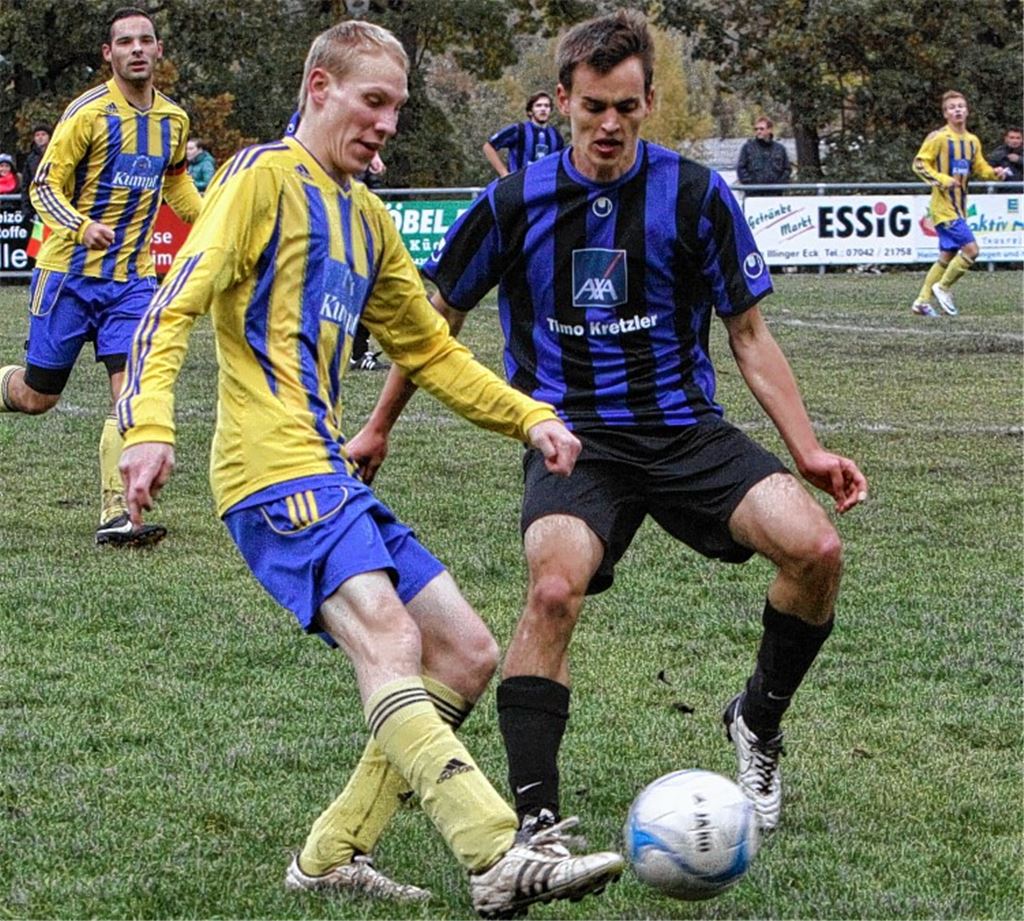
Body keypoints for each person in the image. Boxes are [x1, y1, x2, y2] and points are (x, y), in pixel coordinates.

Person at [116, 19, 623, 917]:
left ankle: (329, 854)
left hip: (330, 471)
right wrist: (147, 424)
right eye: (372, 100)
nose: (388, 122)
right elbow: (172, 304)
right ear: (318, 88)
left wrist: (530, 414)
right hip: (273, 475)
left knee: (466, 653)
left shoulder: (365, 217)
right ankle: (494, 850)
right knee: (388, 640)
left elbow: (431, 350)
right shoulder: (261, 179)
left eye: (397, 106)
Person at [348, 9, 868, 839]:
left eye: (627, 107)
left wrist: (806, 449)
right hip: (571, 437)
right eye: (594, 106)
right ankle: (536, 823)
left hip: (684, 429)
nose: (610, 125)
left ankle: (757, 722)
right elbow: (432, 321)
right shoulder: (513, 202)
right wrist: (377, 427)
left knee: (817, 550)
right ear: (562, 102)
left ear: (649, 102)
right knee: (552, 588)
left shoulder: (696, 194)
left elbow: (749, 335)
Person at [0, 7, 202, 548]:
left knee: (130, 395)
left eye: (146, 40)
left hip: (133, 282)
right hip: (68, 276)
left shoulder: (174, 121)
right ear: (107, 55)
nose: (137, 49)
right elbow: (43, 188)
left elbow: (177, 186)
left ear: (159, 51)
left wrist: (212, 226)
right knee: (38, 397)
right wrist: (80, 224)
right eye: (124, 42)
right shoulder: (87, 114)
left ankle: (118, 514)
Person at [911, 91, 1010, 317]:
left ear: (967, 111)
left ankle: (921, 302)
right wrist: (943, 180)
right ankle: (943, 288)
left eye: (961, 106)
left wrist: (995, 173)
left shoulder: (972, 141)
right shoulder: (938, 138)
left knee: (946, 257)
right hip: (942, 209)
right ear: (945, 113)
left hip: (959, 208)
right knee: (972, 250)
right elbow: (919, 164)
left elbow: (980, 167)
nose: (957, 110)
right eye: (952, 107)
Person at [351, 152, 389, 371]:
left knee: (364, 286)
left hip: (358, 218)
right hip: (336, 217)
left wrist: (371, 155)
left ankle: (358, 352)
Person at [483, 91, 565, 178]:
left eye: (546, 106)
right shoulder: (518, 130)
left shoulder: (556, 135)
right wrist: (504, 174)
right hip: (518, 187)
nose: (543, 109)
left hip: (543, 188)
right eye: (538, 105)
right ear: (530, 111)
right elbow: (488, 147)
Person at [736, 116, 791, 190]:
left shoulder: (780, 149)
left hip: (775, 194)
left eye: (761, 129)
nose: (758, 131)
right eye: (756, 129)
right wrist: (750, 185)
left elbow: (787, 169)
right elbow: (741, 168)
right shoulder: (747, 148)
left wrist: (780, 184)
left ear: (770, 130)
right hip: (753, 194)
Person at [20, 124, 52, 220]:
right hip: (37, 205)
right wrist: (26, 209)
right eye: (37, 135)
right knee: (38, 234)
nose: (40, 137)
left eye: (43, 134)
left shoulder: (56, 154)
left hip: (55, 202)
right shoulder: (30, 158)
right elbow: (26, 184)